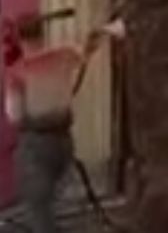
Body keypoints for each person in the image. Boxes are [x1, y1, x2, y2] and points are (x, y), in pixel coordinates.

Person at [4, 15, 119, 233]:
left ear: (18, 38)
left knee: (39, 207)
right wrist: (103, 32)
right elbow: (87, 50)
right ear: (42, 33)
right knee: (57, 200)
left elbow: (15, 115)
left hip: (36, 144)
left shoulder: (17, 73)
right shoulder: (63, 55)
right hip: (64, 141)